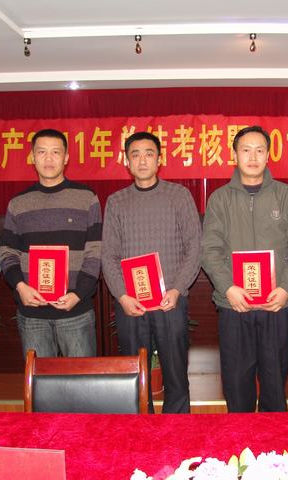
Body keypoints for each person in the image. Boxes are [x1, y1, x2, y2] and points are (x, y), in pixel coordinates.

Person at [201, 125, 288, 412]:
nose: (253, 157)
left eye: (259, 150)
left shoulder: (286, 196)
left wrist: (286, 289)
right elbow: (210, 250)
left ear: (268, 155)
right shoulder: (220, 199)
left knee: (275, 384)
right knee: (237, 385)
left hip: (275, 305)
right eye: (246, 150)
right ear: (234, 155)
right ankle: (240, 437)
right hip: (234, 306)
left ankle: (274, 439)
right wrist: (228, 288)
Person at [101, 131, 201, 413]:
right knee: (135, 375)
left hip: (170, 301)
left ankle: (176, 428)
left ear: (160, 159)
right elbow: (108, 254)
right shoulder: (117, 201)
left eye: (149, 154)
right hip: (131, 303)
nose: (142, 160)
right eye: (135, 155)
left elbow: (195, 247)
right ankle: (140, 429)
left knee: (176, 374)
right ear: (127, 162)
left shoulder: (178, 195)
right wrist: (122, 296)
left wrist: (177, 289)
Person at [0, 129, 102, 358]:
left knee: (82, 377)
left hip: (76, 311)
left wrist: (78, 294)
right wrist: (21, 287)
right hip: (32, 314)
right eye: (42, 152)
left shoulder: (86, 197)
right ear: (32, 157)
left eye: (56, 152)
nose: (48, 158)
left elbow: (95, 251)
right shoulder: (18, 203)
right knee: (39, 378)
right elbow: (7, 252)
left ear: (66, 158)